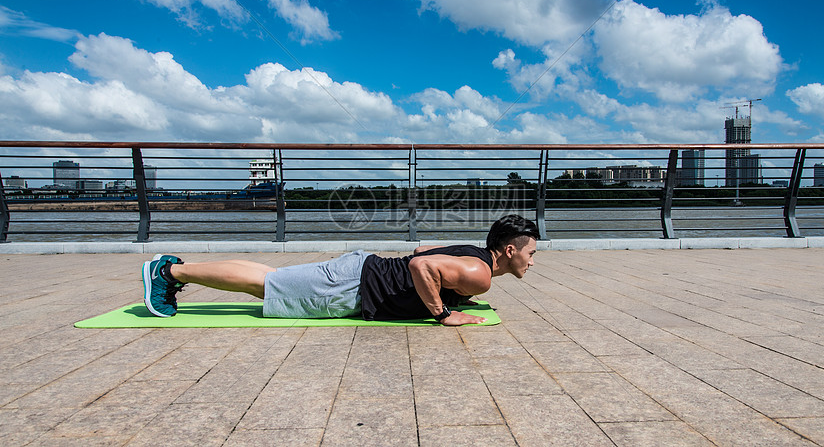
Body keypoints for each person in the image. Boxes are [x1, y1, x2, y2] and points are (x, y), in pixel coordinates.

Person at [142, 214, 539, 326]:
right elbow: (420, 264)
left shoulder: (475, 254)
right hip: (354, 286)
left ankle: (178, 268)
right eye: (531, 253)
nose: (532, 261)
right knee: (267, 286)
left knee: (270, 279)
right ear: (509, 250)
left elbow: (422, 248)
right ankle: (169, 274)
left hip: (359, 273)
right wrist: (443, 313)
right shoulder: (481, 274)